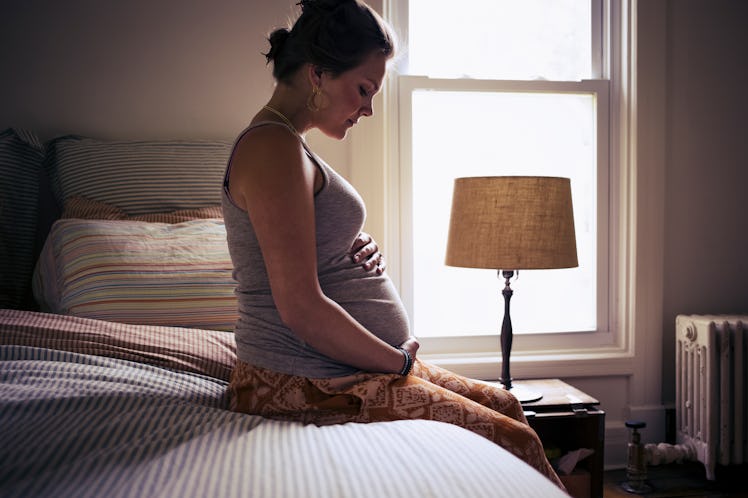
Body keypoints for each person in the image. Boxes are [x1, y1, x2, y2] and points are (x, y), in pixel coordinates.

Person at [222, 0, 564, 489]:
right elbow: (298, 306)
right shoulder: (271, 147)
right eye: (363, 89)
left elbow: (302, 249)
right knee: (512, 437)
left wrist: (347, 245)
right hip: (299, 382)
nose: (369, 107)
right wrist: (399, 362)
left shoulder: (284, 144)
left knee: (505, 401)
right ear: (318, 74)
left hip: (335, 368)